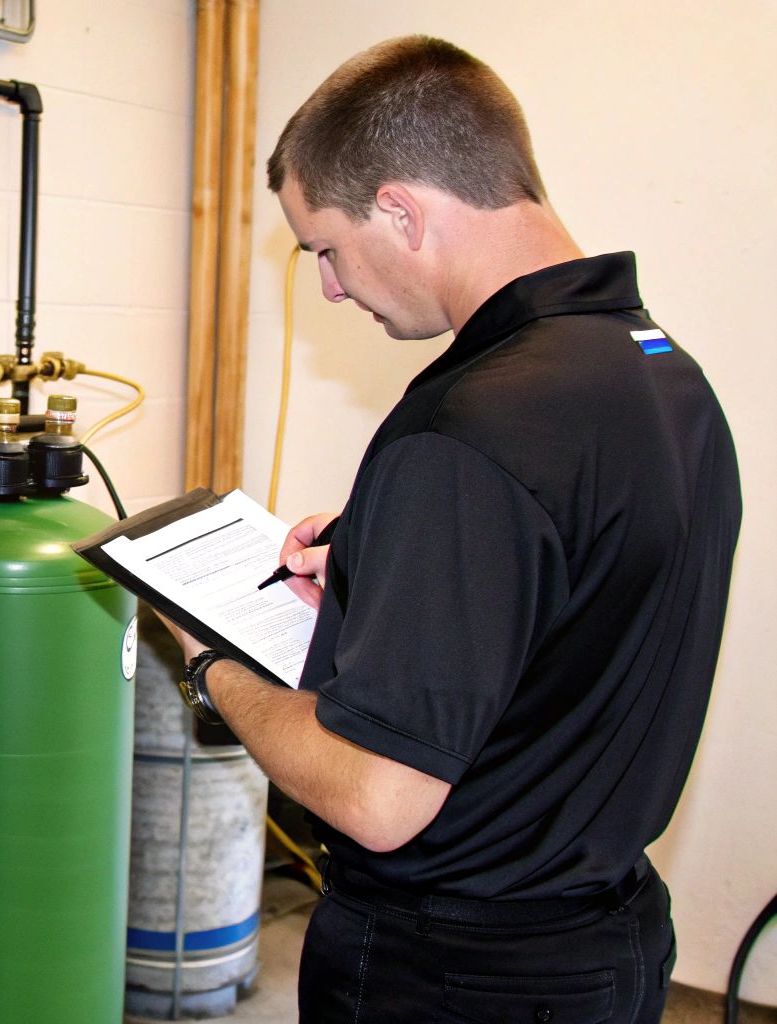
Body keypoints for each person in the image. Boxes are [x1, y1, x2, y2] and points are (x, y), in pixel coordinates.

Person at [162, 36, 742, 1023]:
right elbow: (586, 587)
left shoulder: (466, 432)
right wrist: (390, 562)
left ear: (400, 209)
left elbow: (375, 799)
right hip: (607, 949)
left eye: (324, 250)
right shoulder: (660, 373)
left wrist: (211, 665)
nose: (331, 290)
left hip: (451, 977)